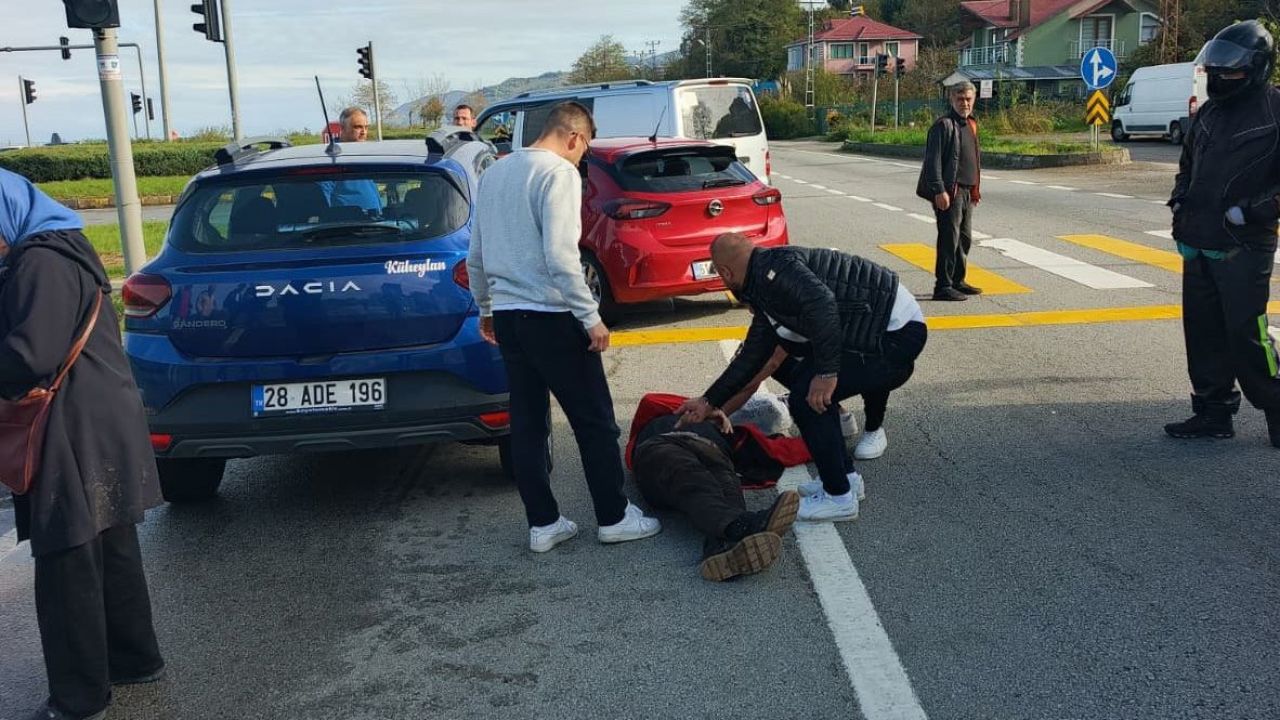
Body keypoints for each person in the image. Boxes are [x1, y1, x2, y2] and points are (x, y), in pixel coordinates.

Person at [0, 169, 164, 720]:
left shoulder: (36, 263)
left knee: (66, 558)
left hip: (68, 427)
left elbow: (29, 357)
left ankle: (78, 698)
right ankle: (134, 657)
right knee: (110, 542)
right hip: (102, 415)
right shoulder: (65, 247)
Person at [468, 101, 661, 552]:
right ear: (573, 136)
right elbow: (560, 255)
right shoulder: (558, 174)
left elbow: (475, 255)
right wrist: (590, 316)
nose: (582, 159)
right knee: (594, 422)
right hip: (552, 316)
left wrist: (486, 308)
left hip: (511, 318)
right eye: (585, 149)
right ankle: (613, 517)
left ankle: (544, 524)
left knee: (529, 424)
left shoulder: (494, 174)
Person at [676, 234, 927, 522]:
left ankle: (839, 498)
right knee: (806, 390)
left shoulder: (775, 274)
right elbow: (753, 356)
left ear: (726, 272)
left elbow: (822, 305)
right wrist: (709, 401)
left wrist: (826, 373)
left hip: (896, 333)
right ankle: (846, 479)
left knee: (808, 399)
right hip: (880, 327)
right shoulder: (765, 280)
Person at [1164, 20, 1280, 449]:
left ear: (1256, 69)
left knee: (1246, 333)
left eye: (1229, 71)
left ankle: (1276, 405)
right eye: (1214, 70)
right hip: (1198, 237)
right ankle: (1213, 412)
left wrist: (1251, 212)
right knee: (1203, 331)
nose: (1219, 78)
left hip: (1246, 243)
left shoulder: (1275, 109)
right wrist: (1179, 203)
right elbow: (1187, 165)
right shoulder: (1209, 111)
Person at [632, 411, 799, 582]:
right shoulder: (663, 415)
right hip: (662, 444)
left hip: (715, 452)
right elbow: (652, 403)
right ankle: (743, 526)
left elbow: (766, 447)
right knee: (692, 478)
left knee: (729, 491)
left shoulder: (725, 426)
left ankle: (722, 549)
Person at [721, 346, 891, 460]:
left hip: (876, 341)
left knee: (874, 360)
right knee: (767, 354)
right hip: (823, 339)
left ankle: (874, 428)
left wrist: (721, 410)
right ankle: (837, 415)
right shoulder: (775, 304)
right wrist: (714, 405)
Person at [917, 81, 983, 302]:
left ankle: (957, 280)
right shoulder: (943, 126)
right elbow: (932, 161)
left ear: (974, 100)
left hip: (967, 191)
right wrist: (939, 190)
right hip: (950, 192)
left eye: (968, 99)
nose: (964, 103)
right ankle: (943, 285)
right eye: (960, 99)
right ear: (952, 100)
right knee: (949, 238)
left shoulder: (971, 124)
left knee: (964, 238)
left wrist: (975, 190)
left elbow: (972, 158)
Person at [319, 107, 381, 214]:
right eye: (358, 127)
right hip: (347, 224)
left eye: (366, 127)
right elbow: (323, 194)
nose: (364, 132)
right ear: (342, 128)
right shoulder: (332, 158)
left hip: (375, 223)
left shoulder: (365, 155)